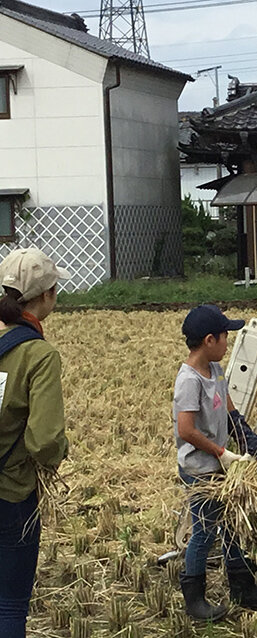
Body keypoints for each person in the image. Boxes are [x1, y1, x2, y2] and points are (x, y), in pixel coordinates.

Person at [173, 304, 257, 621]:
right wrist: (222, 453)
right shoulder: (189, 380)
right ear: (209, 340)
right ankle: (195, 599)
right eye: (225, 336)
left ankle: (242, 587)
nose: (228, 343)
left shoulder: (215, 371)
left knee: (231, 526)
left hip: (218, 466)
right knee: (205, 532)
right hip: (199, 470)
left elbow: (229, 411)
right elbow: (186, 429)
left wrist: (249, 442)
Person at [0, 248, 69, 637]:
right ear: (48, 295)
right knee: (8, 604)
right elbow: (44, 443)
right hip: (13, 492)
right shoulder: (39, 355)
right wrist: (62, 449)